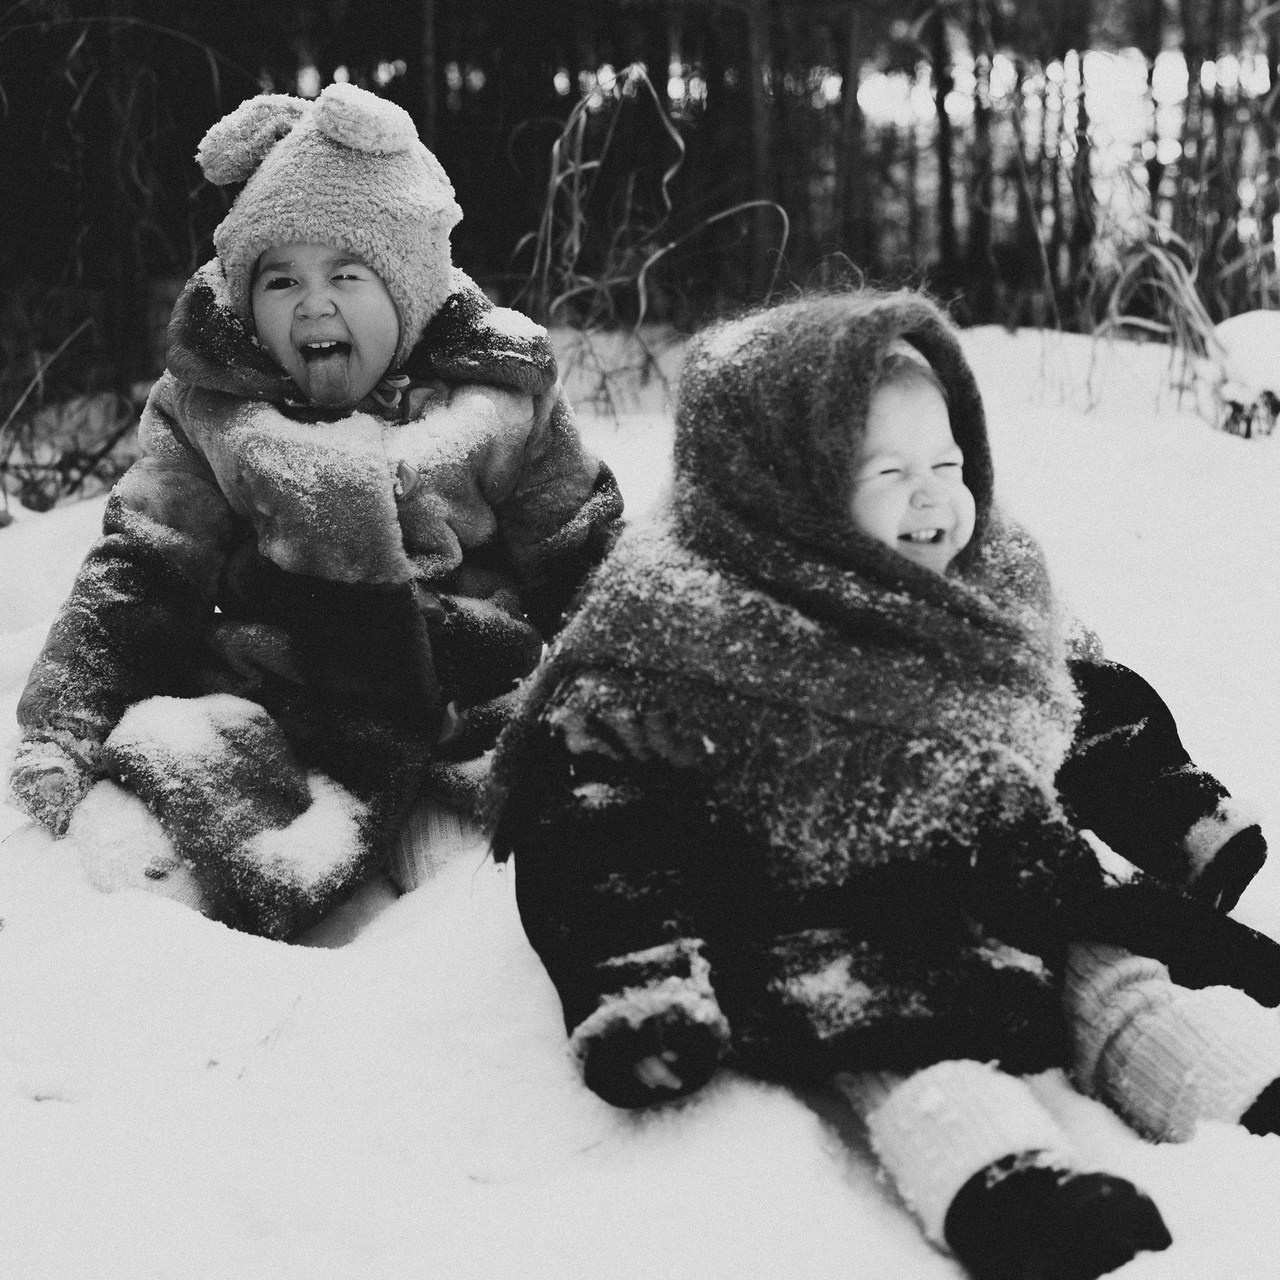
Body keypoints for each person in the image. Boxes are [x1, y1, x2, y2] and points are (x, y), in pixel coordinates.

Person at [486, 290, 1280, 1280]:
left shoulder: (987, 589)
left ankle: (1233, 1085)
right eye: (889, 472)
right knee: (898, 1039)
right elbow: (596, 830)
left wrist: (1178, 818)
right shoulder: (688, 644)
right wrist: (639, 984)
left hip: (1012, 877)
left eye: (947, 464)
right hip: (826, 923)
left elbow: (1082, 711)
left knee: (1110, 973)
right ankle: (1005, 1184)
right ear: (778, 491)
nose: (935, 498)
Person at [7, 83, 622, 941]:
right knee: (150, 840)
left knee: (485, 897)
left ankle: (428, 978)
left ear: (409, 288)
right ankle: (264, 953)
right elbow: (146, 561)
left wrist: (632, 685)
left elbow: (583, 550)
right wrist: (68, 717)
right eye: (280, 278)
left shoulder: (500, 400)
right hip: (282, 707)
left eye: (347, 273)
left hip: (464, 710)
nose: (313, 302)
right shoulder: (215, 412)